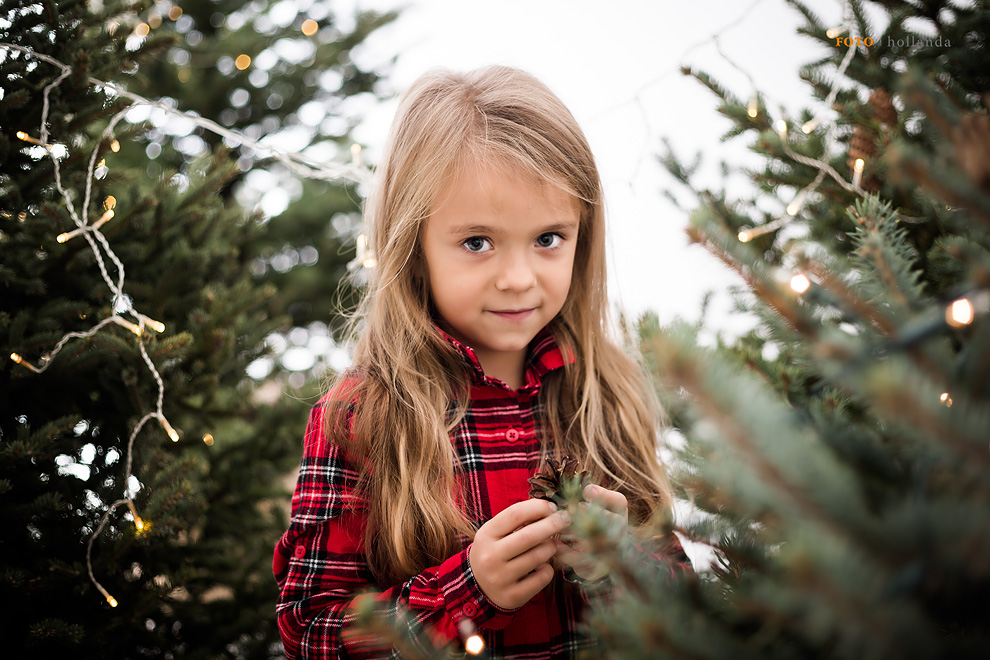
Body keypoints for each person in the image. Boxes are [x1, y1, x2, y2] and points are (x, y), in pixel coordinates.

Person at [273, 65, 689, 660]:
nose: (519, 279)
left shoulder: (608, 389)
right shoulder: (362, 416)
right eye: (477, 242)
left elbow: (686, 603)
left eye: (548, 239)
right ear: (412, 246)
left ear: (582, 237)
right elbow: (310, 634)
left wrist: (622, 562)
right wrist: (466, 593)